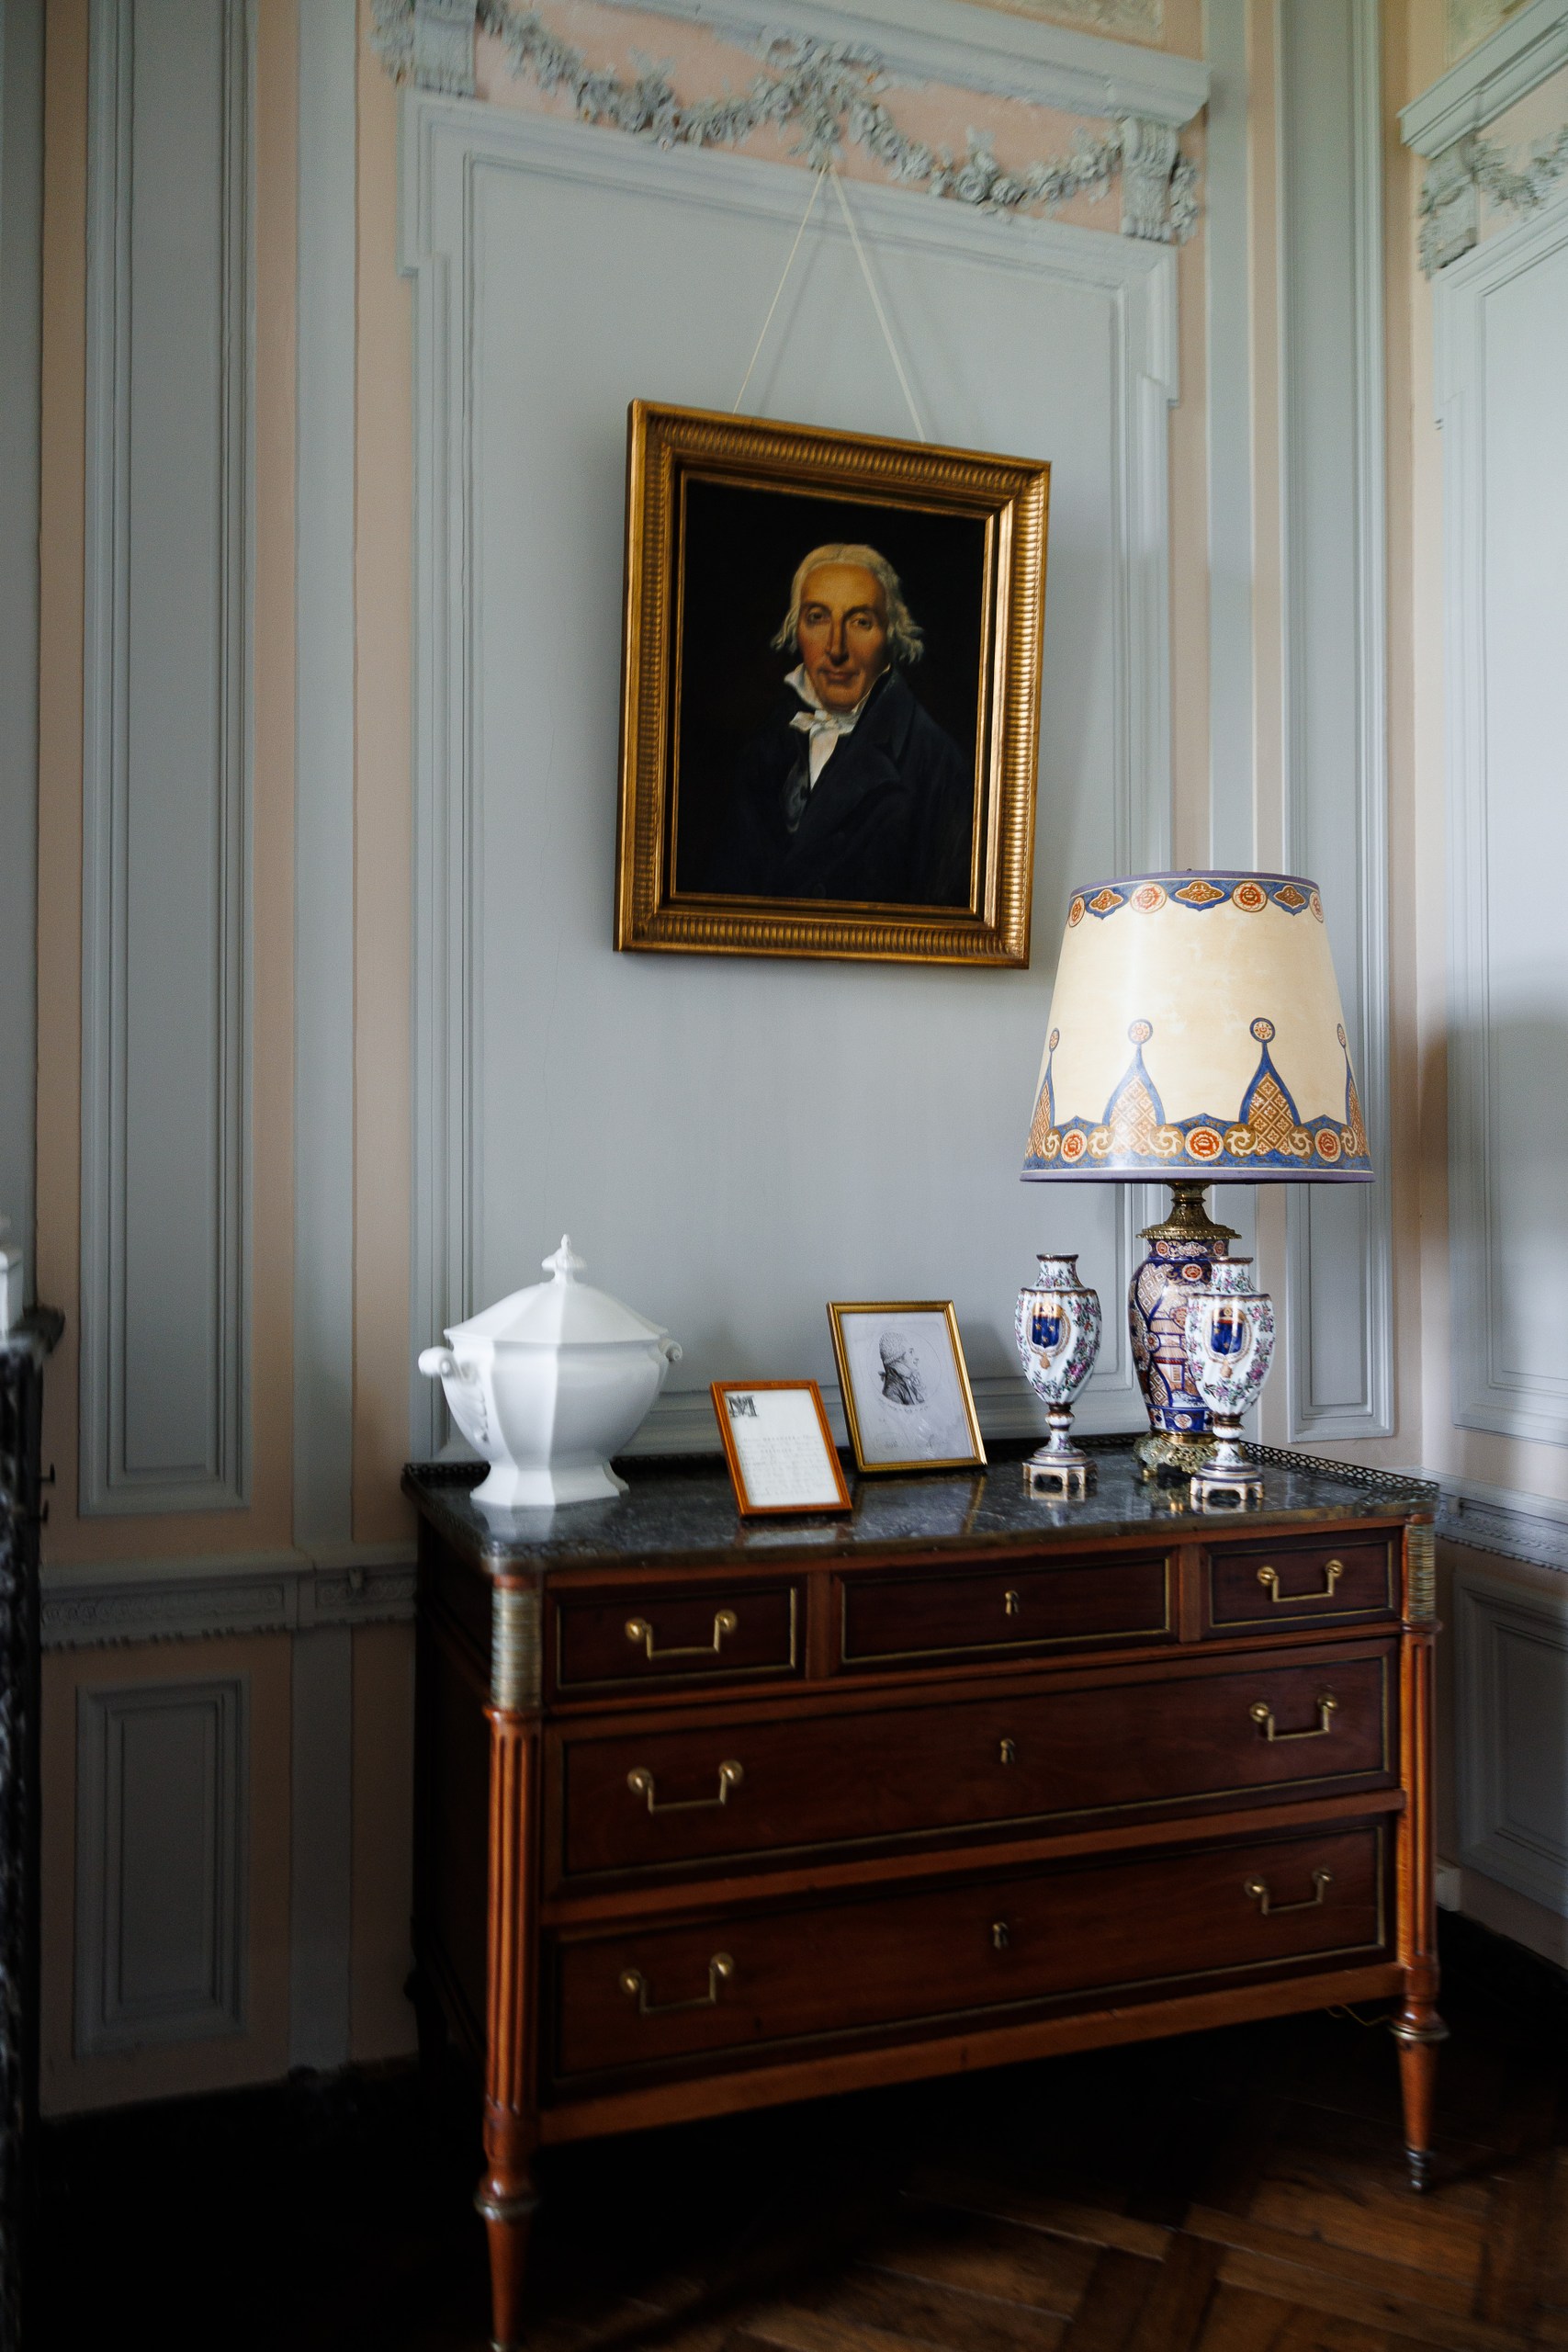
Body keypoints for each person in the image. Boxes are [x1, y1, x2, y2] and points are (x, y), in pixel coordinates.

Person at [701, 542, 974, 906]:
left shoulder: (937, 765)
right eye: (817, 617)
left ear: (892, 634)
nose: (836, 648)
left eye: (861, 622)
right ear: (796, 628)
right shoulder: (764, 748)